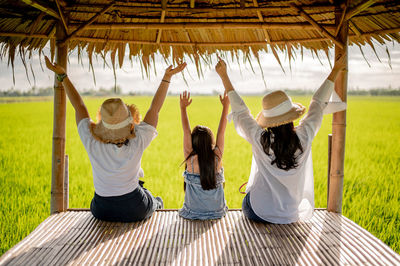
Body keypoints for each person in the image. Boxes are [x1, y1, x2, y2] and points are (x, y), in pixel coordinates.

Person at [45, 56, 186, 222]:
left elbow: (79, 106)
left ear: (103, 125)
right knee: (149, 197)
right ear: (129, 121)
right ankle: (156, 203)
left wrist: (63, 76)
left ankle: (153, 201)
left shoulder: (92, 141)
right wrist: (166, 78)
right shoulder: (138, 139)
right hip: (135, 208)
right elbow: (154, 109)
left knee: (140, 192)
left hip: (101, 208)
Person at [215, 55, 346, 224]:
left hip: (259, 212)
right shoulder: (304, 136)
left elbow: (240, 111)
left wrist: (224, 75)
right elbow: (318, 103)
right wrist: (335, 71)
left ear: (269, 121)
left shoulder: (260, 138)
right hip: (290, 215)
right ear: (291, 116)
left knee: (249, 195)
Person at [178, 90, 229, 220]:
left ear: (193, 142)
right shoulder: (217, 157)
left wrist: (183, 108)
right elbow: (221, 132)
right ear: (211, 141)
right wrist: (226, 107)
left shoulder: (190, 158)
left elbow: (185, 130)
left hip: (192, 212)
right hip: (217, 212)